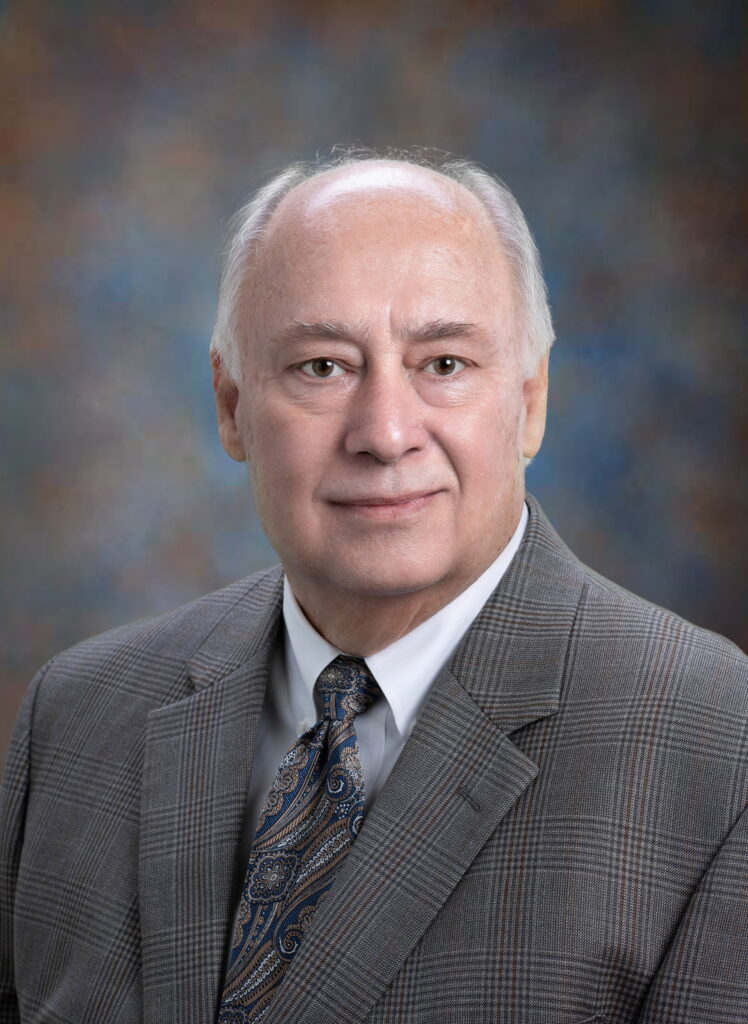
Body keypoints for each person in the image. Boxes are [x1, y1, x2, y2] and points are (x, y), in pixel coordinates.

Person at [1, 150, 746, 1024]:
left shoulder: (718, 747)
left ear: (531, 401)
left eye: (443, 364)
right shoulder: (78, 716)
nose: (385, 434)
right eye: (322, 366)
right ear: (232, 404)